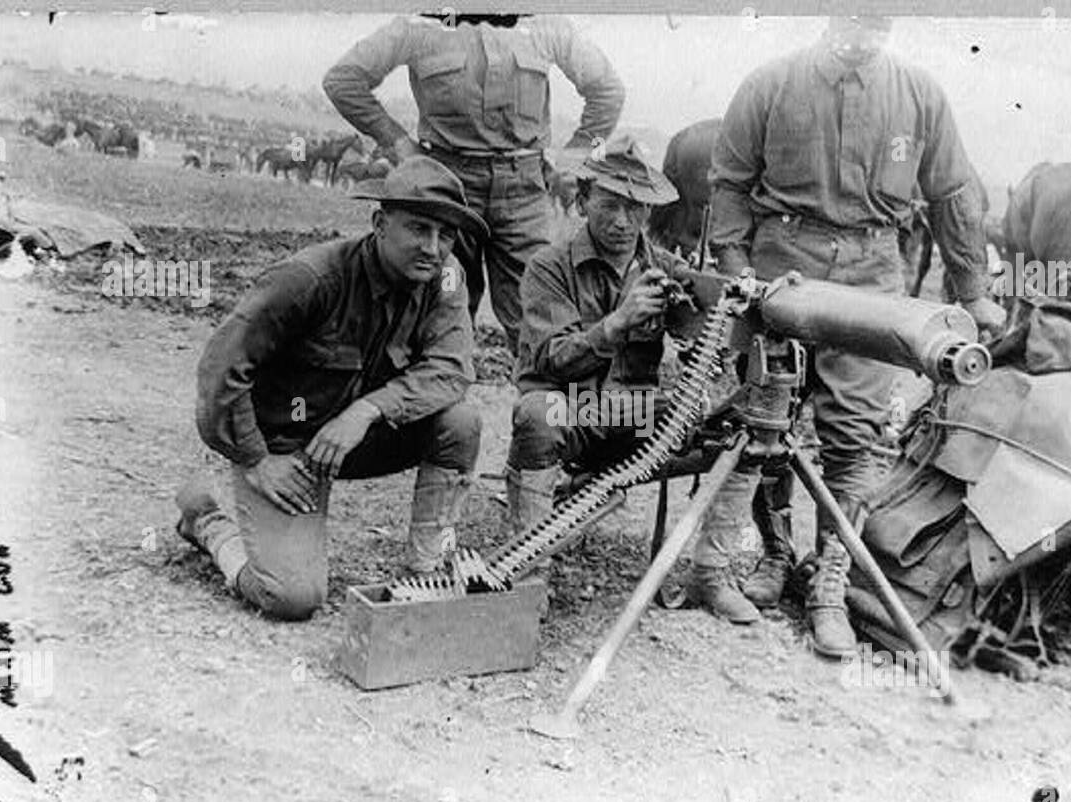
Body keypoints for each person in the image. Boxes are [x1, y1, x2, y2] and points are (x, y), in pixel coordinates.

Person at [708, 15, 1006, 655]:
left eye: (876, 20)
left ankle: (830, 587)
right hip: (780, 266)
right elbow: (729, 183)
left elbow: (953, 192)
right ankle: (775, 556)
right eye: (849, 16)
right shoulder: (771, 83)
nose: (860, 33)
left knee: (857, 431)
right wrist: (736, 278)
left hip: (873, 272)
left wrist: (973, 291)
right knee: (768, 419)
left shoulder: (919, 95)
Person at [175, 157, 486, 621]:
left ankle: (425, 569)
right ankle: (208, 520)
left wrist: (366, 412)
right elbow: (222, 368)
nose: (434, 247)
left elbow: (450, 368)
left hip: (355, 438)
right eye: (419, 229)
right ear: (380, 223)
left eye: (446, 235)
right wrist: (257, 459)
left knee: (460, 422)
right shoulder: (310, 279)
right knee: (291, 597)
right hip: (288, 448)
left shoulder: (445, 277)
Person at [507, 137, 762, 624]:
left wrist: (745, 299)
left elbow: (714, 307)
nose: (623, 222)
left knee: (744, 430)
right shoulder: (549, 267)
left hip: (636, 416)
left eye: (636, 209)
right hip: (575, 411)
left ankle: (710, 575)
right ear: (582, 202)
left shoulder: (663, 267)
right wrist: (615, 325)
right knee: (537, 415)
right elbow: (548, 360)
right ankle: (527, 572)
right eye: (610, 205)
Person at [323, 13, 625, 354]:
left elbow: (608, 92)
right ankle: (438, 398)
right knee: (441, 307)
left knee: (538, 315)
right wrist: (398, 144)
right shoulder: (420, 24)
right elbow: (343, 80)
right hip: (447, 193)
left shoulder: (544, 25)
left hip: (523, 195)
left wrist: (572, 158)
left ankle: (538, 404)